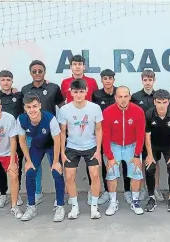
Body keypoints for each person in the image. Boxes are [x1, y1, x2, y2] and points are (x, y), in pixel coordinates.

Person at [21, 60, 65, 205]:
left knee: (56, 166)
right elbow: (23, 110)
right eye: (34, 71)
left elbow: (62, 106)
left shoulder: (53, 88)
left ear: (44, 72)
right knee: (35, 167)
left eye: (40, 71)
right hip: (33, 136)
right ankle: (37, 193)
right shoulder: (25, 89)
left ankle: (59, 199)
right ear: (30, 73)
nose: (37, 73)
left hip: (52, 135)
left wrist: (61, 126)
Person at [17, 93, 65, 222]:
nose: (32, 110)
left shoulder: (49, 118)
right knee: (30, 172)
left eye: (34, 106)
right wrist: (28, 160)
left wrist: (56, 161)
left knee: (56, 172)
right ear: (25, 108)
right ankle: (31, 206)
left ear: (40, 106)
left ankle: (60, 206)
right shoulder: (21, 119)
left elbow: (57, 140)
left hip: (51, 146)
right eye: (29, 107)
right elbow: (22, 141)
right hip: (37, 146)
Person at [58, 79, 102, 219]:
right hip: (72, 147)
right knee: (70, 177)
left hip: (91, 146)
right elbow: (62, 132)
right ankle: (74, 207)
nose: (78, 95)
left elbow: (99, 129)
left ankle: (94, 207)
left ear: (86, 91)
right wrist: (62, 152)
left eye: (81, 92)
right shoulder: (64, 109)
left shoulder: (94, 108)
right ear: (70, 92)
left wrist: (98, 150)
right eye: (75, 92)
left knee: (95, 175)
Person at [61, 54, 100, 204]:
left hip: (89, 130)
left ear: (84, 66)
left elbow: (95, 100)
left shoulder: (92, 82)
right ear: (71, 66)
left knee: (93, 170)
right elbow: (60, 102)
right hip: (72, 131)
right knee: (70, 173)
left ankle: (93, 193)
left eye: (80, 64)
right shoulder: (64, 82)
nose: (77, 66)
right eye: (74, 64)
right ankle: (72, 198)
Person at [102, 86, 146, 216]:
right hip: (114, 146)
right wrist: (109, 156)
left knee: (136, 174)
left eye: (125, 96)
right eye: (120, 97)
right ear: (115, 97)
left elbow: (140, 135)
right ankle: (113, 202)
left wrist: (137, 154)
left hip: (132, 147)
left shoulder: (138, 111)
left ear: (130, 97)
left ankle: (135, 201)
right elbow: (105, 136)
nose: (123, 100)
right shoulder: (108, 112)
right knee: (111, 174)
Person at [92, 69, 132, 205]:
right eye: (105, 78)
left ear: (114, 79)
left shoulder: (120, 93)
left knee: (126, 164)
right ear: (101, 80)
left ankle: (127, 191)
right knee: (107, 164)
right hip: (105, 135)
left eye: (110, 78)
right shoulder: (96, 95)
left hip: (122, 135)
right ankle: (108, 192)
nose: (108, 81)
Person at [144, 89, 170, 212]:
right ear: (154, 101)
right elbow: (147, 136)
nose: (161, 105)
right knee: (149, 168)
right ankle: (151, 197)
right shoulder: (149, 114)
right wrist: (149, 155)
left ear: (169, 102)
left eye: (164, 102)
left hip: (168, 145)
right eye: (159, 102)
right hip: (153, 145)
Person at [131, 70, 164, 202]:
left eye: (150, 80)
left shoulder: (159, 96)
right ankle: (145, 188)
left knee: (155, 162)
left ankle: (155, 188)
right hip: (141, 135)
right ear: (142, 81)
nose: (148, 82)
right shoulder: (136, 96)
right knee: (145, 162)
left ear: (154, 81)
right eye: (145, 80)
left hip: (156, 135)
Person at [0, 70, 24, 208]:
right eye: (3, 80)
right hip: (0, 139)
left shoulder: (19, 95)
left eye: (8, 80)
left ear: (12, 81)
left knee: (16, 167)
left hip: (17, 137)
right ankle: (3, 195)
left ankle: (16, 195)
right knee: (0, 168)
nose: (6, 82)